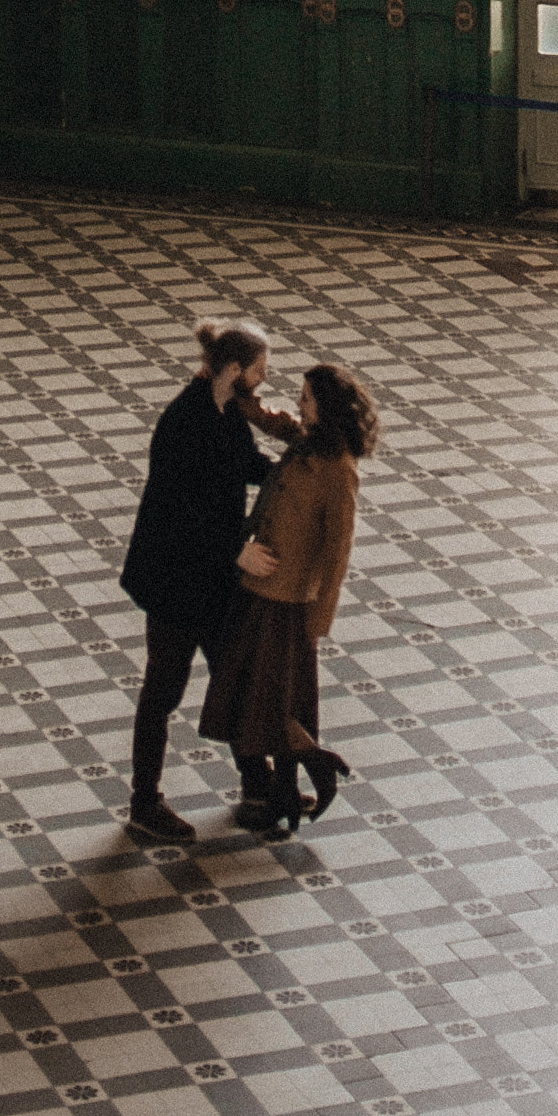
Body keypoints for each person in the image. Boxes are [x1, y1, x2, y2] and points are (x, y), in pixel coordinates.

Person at [118, 316, 297, 844]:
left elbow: (244, 464)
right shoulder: (185, 421)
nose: (264, 381)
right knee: (163, 692)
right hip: (175, 582)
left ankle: (258, 788)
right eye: (260, 371)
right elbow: (180, 513)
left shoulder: (224, 410)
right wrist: (237, 552)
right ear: (235, 369)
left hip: (211, 578)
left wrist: (296, 472)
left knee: (235, 676)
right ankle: (144, 805)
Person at [200, 360, 379, 837]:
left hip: (288, 602)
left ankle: (297, 774)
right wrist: (236, 392)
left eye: (307, 399)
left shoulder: (338, 470)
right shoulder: (307, 440)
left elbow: (339, 548)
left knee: (270, 699)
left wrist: (320, 618)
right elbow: (273, 419)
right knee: (258, 696)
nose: (300, 405)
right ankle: (293, 777)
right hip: (259, 590)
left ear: (328, 409)